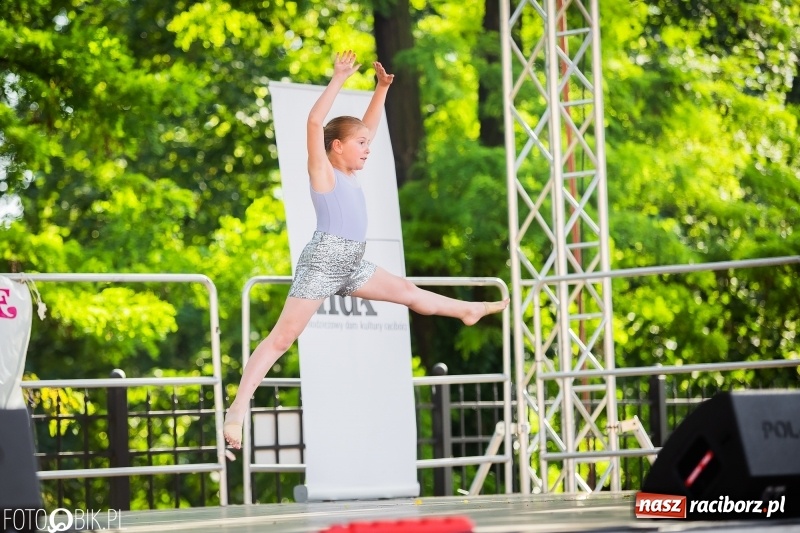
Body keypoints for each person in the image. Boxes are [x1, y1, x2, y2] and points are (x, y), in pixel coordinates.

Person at [223, 50, 509, 449]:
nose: (367, 148)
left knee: (409, 294)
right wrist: (339, 77)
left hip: (353, 262)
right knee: (282, 339)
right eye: (359, 143)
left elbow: (368, 129)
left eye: (366, 143)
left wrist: (381, 89)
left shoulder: (349, 168)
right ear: (337, 146)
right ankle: (237, 409)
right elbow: (313, 122)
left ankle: (466, 310)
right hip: (324, 261)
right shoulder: (323, 170)